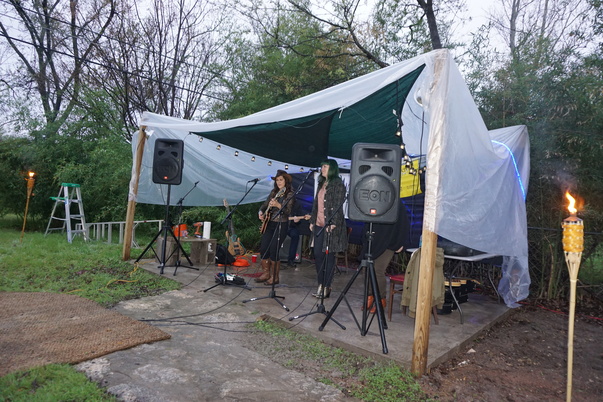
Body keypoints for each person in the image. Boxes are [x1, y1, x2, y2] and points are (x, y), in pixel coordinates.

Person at [360, 204, 410, 313]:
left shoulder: (397, 204)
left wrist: (399, 243)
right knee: (366, 269)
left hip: (389, 242)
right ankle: (370, 296)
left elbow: (404, 225)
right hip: (373, 240)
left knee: (377, 270)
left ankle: (380, 300)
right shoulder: (374, 201)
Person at [309, 159, 348, 298]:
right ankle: (320, 284)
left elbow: (338, 205)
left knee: (328, 256)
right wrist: (312, 221)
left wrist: (333, 223)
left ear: (332, 168)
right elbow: (316, 205)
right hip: (318, 224)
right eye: (322, 166)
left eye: (325, 166)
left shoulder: (338, 184)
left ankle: (327, 286)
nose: (323, 169)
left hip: (331, 226)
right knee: (318, 255)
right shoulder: (321, 183)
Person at [256, 170, 295, 285]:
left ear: (286, 181)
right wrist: (261, 212)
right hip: (269, 223)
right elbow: (264, 205)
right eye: (277, 180)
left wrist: (278, 205)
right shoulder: (274, 192)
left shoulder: (290, 194)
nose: (279, 182)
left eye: (281, 180)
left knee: (274, 249)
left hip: (281, 224)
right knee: (264, 248)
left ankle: (275, 277)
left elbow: (288, 211)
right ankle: (266, 273)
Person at [286, 201, 310, 268]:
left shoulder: (297, 204)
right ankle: (273, 258)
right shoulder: (281, 202)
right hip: (281, 226)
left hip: (291, 227)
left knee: (295, 235)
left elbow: (299, 218)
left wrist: (297, 221)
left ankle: (291, 260)